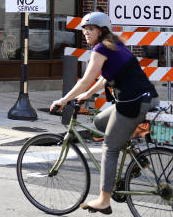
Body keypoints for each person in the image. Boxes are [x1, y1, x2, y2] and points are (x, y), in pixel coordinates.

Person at [50, 12, 159, 215]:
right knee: (100, 122)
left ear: (101, 31)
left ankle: (103, 200)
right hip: (147, 98)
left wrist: (63, 100)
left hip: (133, 104)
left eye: (90, 29)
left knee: (109, 147)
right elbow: (104, 78)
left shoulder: (101, 48)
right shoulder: (115, 46)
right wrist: (87, 95)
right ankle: (136, 157)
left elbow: (85, 79)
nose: (86, 33)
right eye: (84, 30)